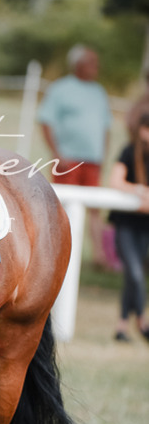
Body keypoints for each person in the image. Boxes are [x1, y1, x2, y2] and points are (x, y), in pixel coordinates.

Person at [38, 44, 112, 266]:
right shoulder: (61, 89)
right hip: (67, 160)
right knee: (63, 206)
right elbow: (46, 120)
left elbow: (105, 126)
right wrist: (56, 153)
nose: (96, 67)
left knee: (95, 207)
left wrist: (103, 156)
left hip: (93, 161)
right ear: (78, 64)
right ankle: (59, 252)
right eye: (91, 62)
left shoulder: (99, 92)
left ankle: (99, 256)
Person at [108, 112, 149, 342]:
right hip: (125, 223)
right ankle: (142, 321)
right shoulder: (129, 151)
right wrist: (139, 191)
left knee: (133, 277)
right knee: (134, 273)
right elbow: (115, 182)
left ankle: (121, 327)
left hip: (145, 226)